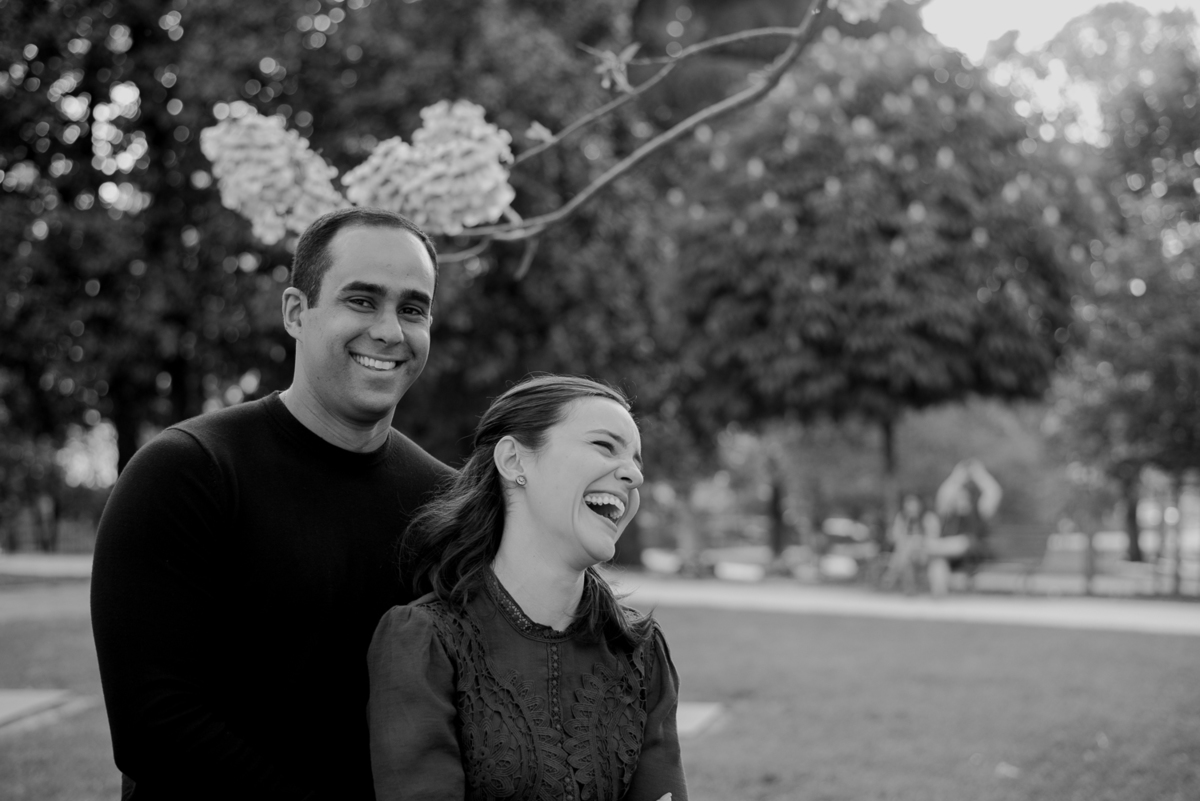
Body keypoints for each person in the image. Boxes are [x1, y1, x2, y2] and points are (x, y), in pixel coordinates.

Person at [90, 207, 454, 800]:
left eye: (413, 309)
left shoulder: (446, 505)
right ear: (295, 312)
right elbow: (153, 725)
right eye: (362, 300)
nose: (390, 330)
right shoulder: (187, 472)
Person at [367, 375, 688, 801]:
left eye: (636, 460)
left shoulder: (641, 653)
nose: (633, 474)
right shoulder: (426, 643)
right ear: (514, 460)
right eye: (604, 446)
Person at [927, 459, 1002, 595]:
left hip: (974, 553)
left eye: (963, 495)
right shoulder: (949, 514)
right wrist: (956, 476)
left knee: (960, 542)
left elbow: (994, 492)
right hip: (950, 555)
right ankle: (939, 598)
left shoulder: (979, 511)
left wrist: (979, 474)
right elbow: (943, 495)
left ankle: (924, 549)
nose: (959, 497)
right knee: (938, 561)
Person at [880, 493, 939, 595]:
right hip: (906, 553)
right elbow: (895, 538)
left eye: (913, 504)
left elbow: (933, 540)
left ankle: (889, 578)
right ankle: (909, 590)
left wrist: (916, 541)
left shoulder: (929, 518)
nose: (910, 508)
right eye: (908, 505)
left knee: (906, 550)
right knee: (906, 551)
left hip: (926, 554)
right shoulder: (902, 517)